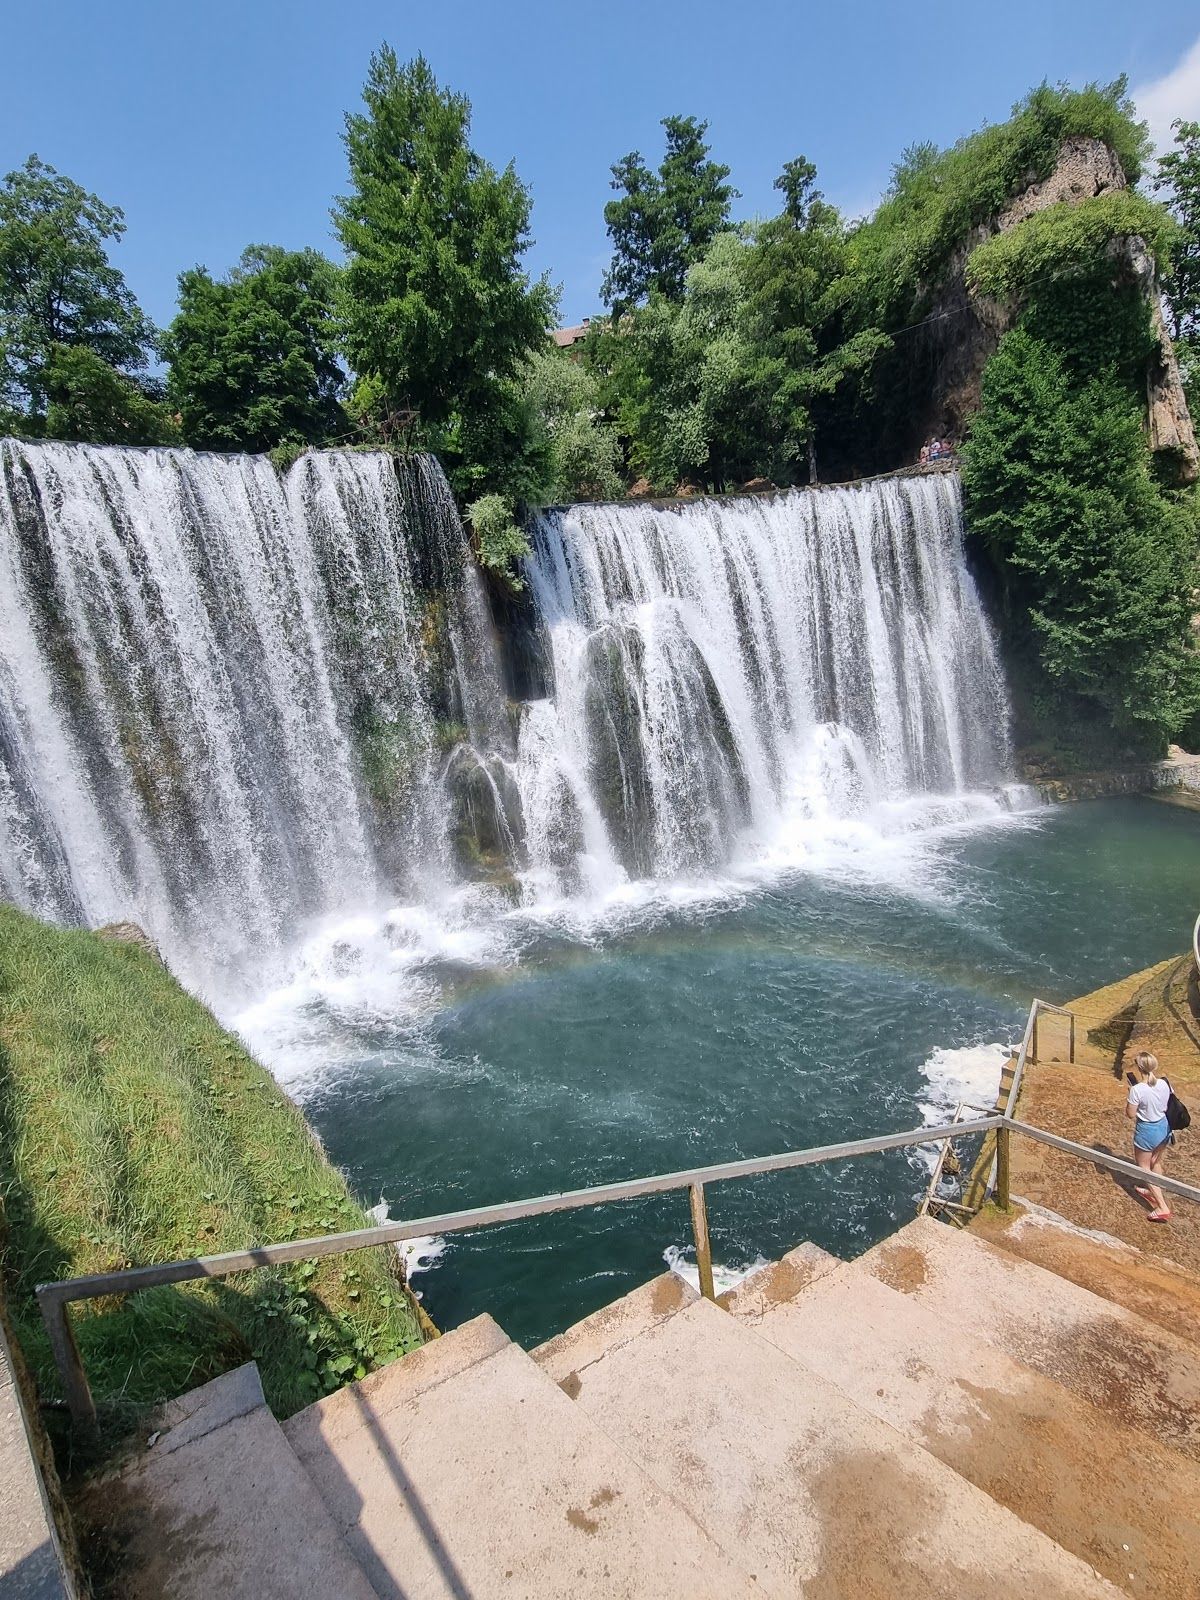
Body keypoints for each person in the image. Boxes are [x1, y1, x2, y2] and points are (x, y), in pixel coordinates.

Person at [1125, 1050, 1172, 1221]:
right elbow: (1166, 1106)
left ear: (1139, 1067)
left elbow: (1130, 1114)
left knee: (1144, 1167)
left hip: (1147, 1130)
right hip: (1163, 1127)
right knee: (1156, 1161)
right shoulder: (1164, 1083)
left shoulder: (1137, 1089)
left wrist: (1130, 1094)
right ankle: (1154, 1190)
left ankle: (1162, 1207)